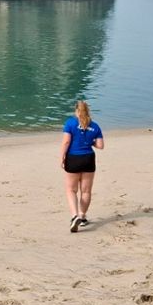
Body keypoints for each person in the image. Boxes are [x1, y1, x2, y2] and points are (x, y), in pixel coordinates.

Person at [60, 100, 104, 233]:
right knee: (86, 191)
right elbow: (100, 146)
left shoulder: (70, 123)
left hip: (73, 158)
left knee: (71, 190)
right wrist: (90, 142)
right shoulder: (95, 126)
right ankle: (82, 216)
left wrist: (62, 157)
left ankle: (74, 216)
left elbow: (66, 141)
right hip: (88, 158)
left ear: (76, 111)